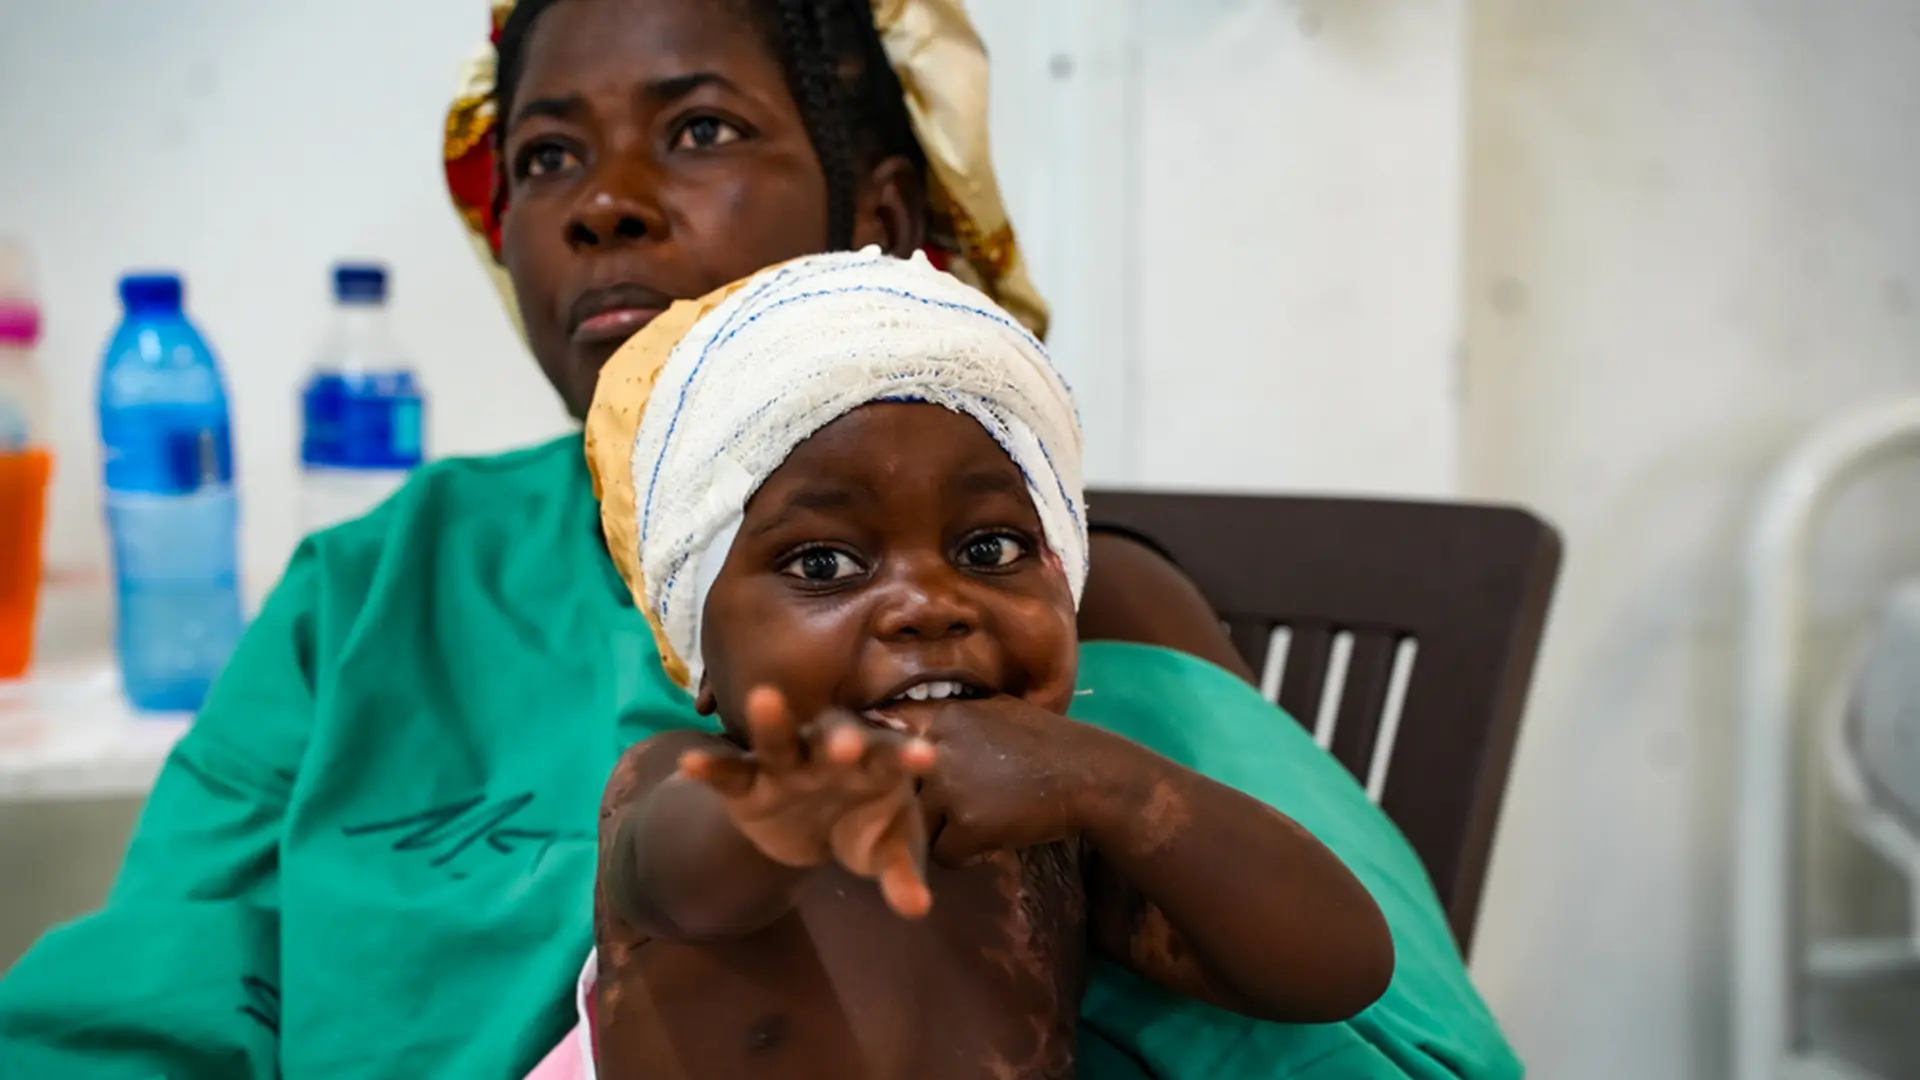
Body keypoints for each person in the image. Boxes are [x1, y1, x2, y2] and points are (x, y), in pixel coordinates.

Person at [0, 2, 1521, 1078]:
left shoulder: (1081, 621)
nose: (603, 205)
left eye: (701, 129)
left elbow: (1352, 1022)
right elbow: (166, 981)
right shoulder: (380, 582)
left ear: (880, 214)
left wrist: (1114, 786)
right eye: (546, 158)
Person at [545, 249, 1393, 1079]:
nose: (928, 603)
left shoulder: (1055, 846)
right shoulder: (676, 783)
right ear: (702, 657)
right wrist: (779, 809)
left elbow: (1338, 969)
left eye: (989, 549)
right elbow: (676, 883)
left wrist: (1112, 786)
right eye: (824, 564)